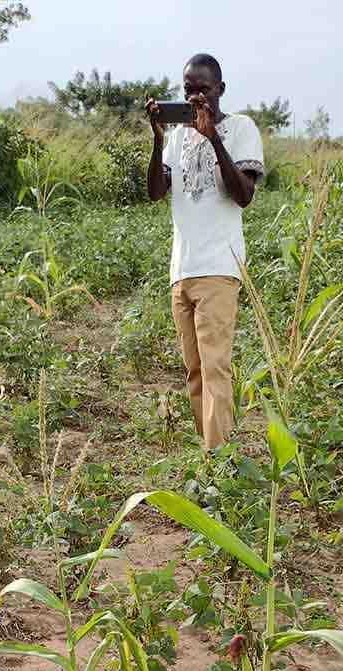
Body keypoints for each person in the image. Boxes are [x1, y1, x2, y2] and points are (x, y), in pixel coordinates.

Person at [146, 55, 264, 451]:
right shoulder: (177, 137)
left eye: (203, 90)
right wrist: (159, 137)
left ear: (220, 90)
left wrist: (213, 137)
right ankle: (210, 452)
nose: (195, 97)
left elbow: (243, 195)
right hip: (182, 269)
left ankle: (219, 461)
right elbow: (155, 192)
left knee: (215, 368)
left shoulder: (240, 128)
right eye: (188, 90)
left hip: (218, 266)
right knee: (195, 372)